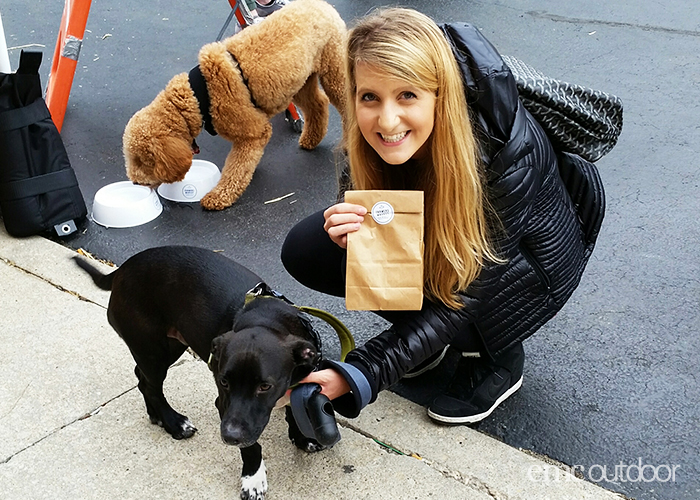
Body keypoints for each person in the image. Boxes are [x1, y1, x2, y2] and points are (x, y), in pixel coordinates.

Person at [280, 7, 604, 426]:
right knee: (311, 247)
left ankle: (497, 359)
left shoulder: (507, 152)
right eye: (369, 97)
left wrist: (360, 372)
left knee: (466, 300)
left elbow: (467, 294)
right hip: (446, 246)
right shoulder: (368, 135)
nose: (387, 120)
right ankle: (426, 342)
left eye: (407, 95)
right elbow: (359, 202)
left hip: (521, 269)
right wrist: (354, 237)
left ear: (440, 94)